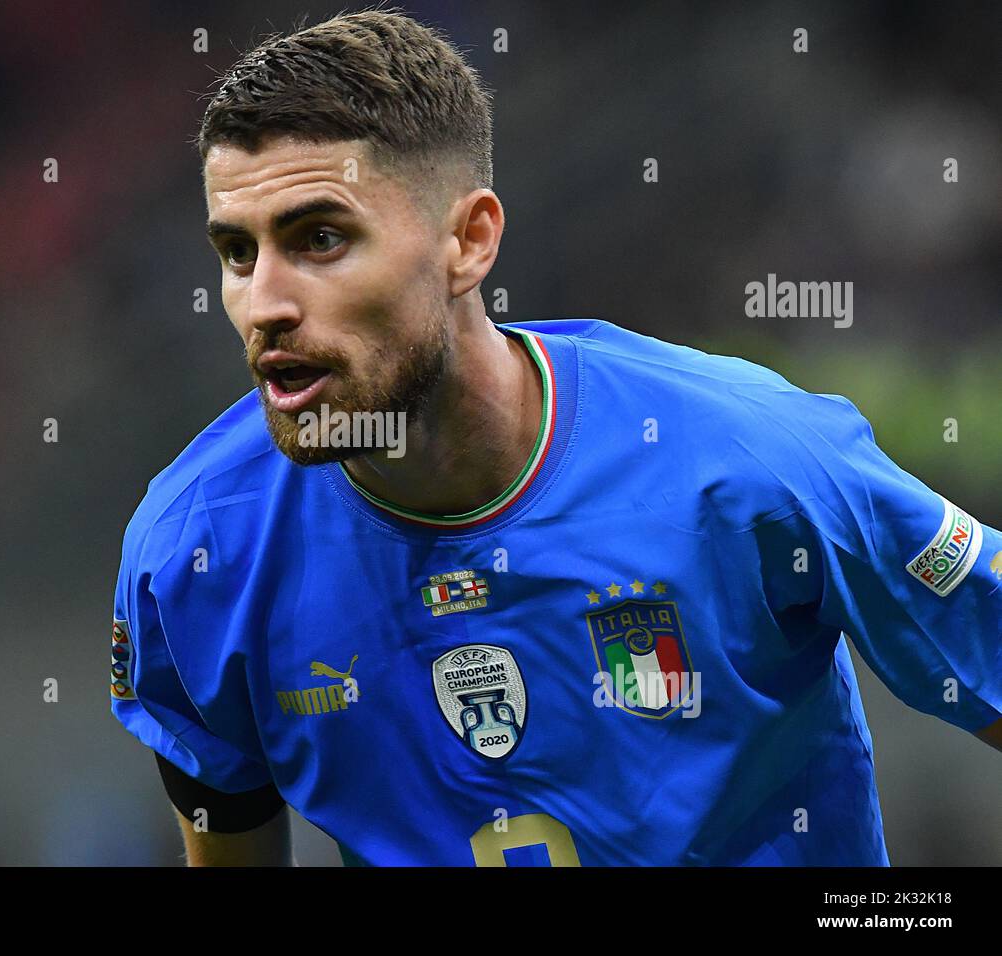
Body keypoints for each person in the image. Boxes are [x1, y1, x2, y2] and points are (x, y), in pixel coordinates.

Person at [110, 8, 1001, 865]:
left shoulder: (751, 460)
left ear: (469, 241)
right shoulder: (195, 554)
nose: (264, 303)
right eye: (237, 252)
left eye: (321, 239)